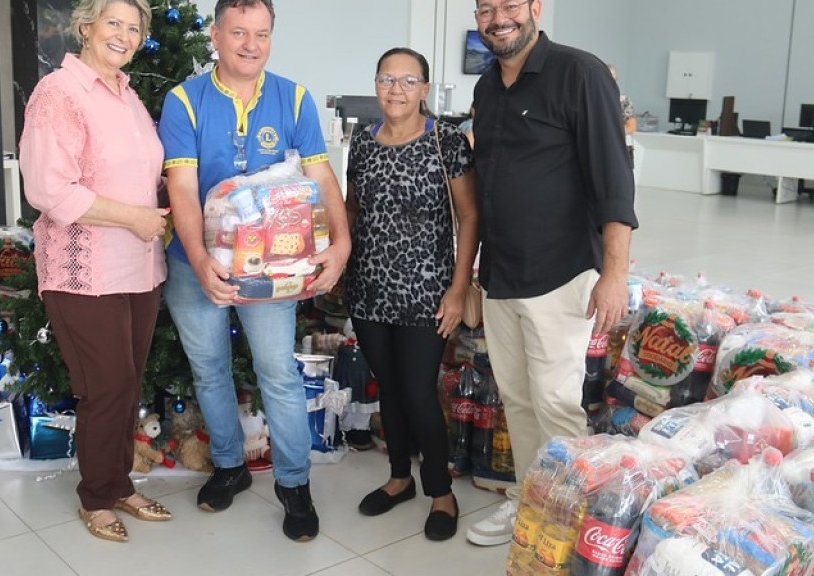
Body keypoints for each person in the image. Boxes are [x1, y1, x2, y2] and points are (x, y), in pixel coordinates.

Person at [157, 0, 350, 542]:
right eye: (239, 32)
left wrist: (342, 242)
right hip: (194, 263)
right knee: (209, 369)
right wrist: (200, 261)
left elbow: (321, 176)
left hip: (274, 268)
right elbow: (181, 189)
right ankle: (229, 466)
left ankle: (294, 483)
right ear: (216, 36)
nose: (251, 45)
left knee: (277, 372)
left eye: (261, 34)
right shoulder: (184, 101)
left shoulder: (294, 98)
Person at [464, 0, 638, 547]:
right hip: (501, 274)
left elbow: (614, 181)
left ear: (536, 7)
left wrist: (615, 274)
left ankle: (565, 522)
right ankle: (528, 501)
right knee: (516, 400)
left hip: (560, 272)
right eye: (486, 9)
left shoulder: (580, 74)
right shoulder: (486, 87)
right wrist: (473, 274)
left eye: (510, 5)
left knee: (555, 403)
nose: (498, 18)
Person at [19, 0, 172, 543]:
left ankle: (119, 483)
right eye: (114, 23)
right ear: (86, 27)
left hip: (141, 267)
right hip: (84, 269)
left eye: (134, 28)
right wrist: (133, 217)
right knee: (105, 386)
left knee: (127, 385)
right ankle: (96, 497)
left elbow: (141, 176)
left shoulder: (129, 96)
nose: (124, 35)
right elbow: (48, 188)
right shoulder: (58, 93)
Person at [345, 47, 478, 542]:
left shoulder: (446, 140)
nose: (396, 89)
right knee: (389, 386)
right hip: (369, 287)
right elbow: (353, 208)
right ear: (376, 85)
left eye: (407, 80)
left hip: (426, 290)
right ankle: (399, 477)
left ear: (424, 88)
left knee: (419, 390)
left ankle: (441, 492)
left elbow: (470, 216)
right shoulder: (363, 140)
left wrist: (458, 289)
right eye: (387, 79)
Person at [609, 64, 637, 161]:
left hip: (619, 148)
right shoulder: (591, 99)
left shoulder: (624, 100)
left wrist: (611, 133)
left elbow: (631, 126)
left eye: (613, 79)